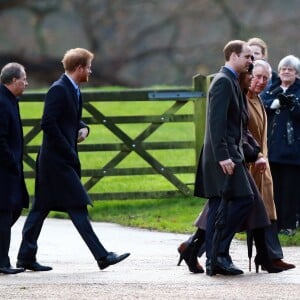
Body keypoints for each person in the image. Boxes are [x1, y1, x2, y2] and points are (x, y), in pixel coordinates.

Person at [16, 48, 130, 271]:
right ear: (79, 68)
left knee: (40, 208)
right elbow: (48, 123)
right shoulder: (58, 90)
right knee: (77, 205)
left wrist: (84, 128)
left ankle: (26, 256)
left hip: (60, 160)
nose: (90, 70)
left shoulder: (74, 89)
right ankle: (102, 256)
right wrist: (67, 150)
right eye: (88, 67)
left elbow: (72, 119)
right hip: (55, 163)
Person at [193, 40, 271, 276]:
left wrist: (251, 153)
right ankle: (219, 255)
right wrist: (224, 156)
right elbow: (215, 125)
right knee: (244, 199)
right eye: (247, 57)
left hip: (231, 154)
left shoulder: (233, 82)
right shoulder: (223, 82)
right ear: (233, 56)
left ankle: (214, 260)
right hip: (224, 157)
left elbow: (235, 126)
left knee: (221, 206)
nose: (251, 61)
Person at [244, 60, 295, 270]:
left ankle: (270, 256)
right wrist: (254, 155)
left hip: (262, 165)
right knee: (224, 213)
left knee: (266, 211)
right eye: (257, 77)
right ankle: (195, 247)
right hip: (246, 164)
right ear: (249, 76)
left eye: (266, 78)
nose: (262, 82)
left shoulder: (257, 99)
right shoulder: (243, 99)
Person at [261, 54, 300, 236]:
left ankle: (289, 225)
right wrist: (275, 103)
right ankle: (273, 223)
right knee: (273, 187)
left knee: (290, 188)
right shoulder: (271, 89)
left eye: (290, 70)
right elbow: (261, 105)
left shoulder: (299, 90)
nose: (285, 72)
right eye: (283, 69)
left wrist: (292, 106)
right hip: (273, 146)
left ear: (296, 73)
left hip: (293, 148)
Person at [0, 62, 29, 274]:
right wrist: (10, 161)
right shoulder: (2, 102)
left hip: (10, 167)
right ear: (12, 81)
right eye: (23, 79)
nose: (26, 83)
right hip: (4, 168)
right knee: (5, 212)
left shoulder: (10, 100)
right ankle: (2, 262)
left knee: (15, 208)